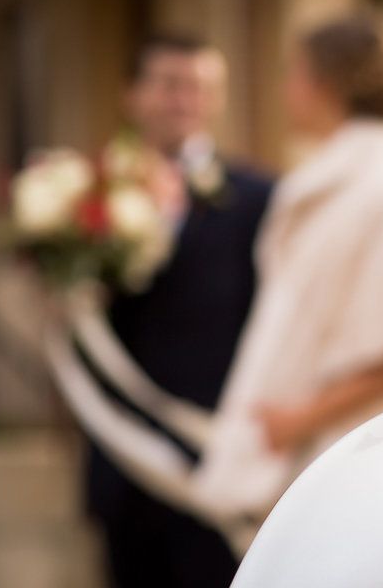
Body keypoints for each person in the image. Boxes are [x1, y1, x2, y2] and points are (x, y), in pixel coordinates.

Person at [192, 16, 383, 515]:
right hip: (316, 462)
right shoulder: (343, 180)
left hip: (360, 467)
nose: (285, 90)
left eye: (294, 73)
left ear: (327, 82)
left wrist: (298, 420)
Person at [83, 35, 272, 587]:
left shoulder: (259, 197)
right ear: (134, 95)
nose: (183, 100)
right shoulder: (85, 195)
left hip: (211, 460)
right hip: (120, 459)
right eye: (169, 85)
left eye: (199, 87)